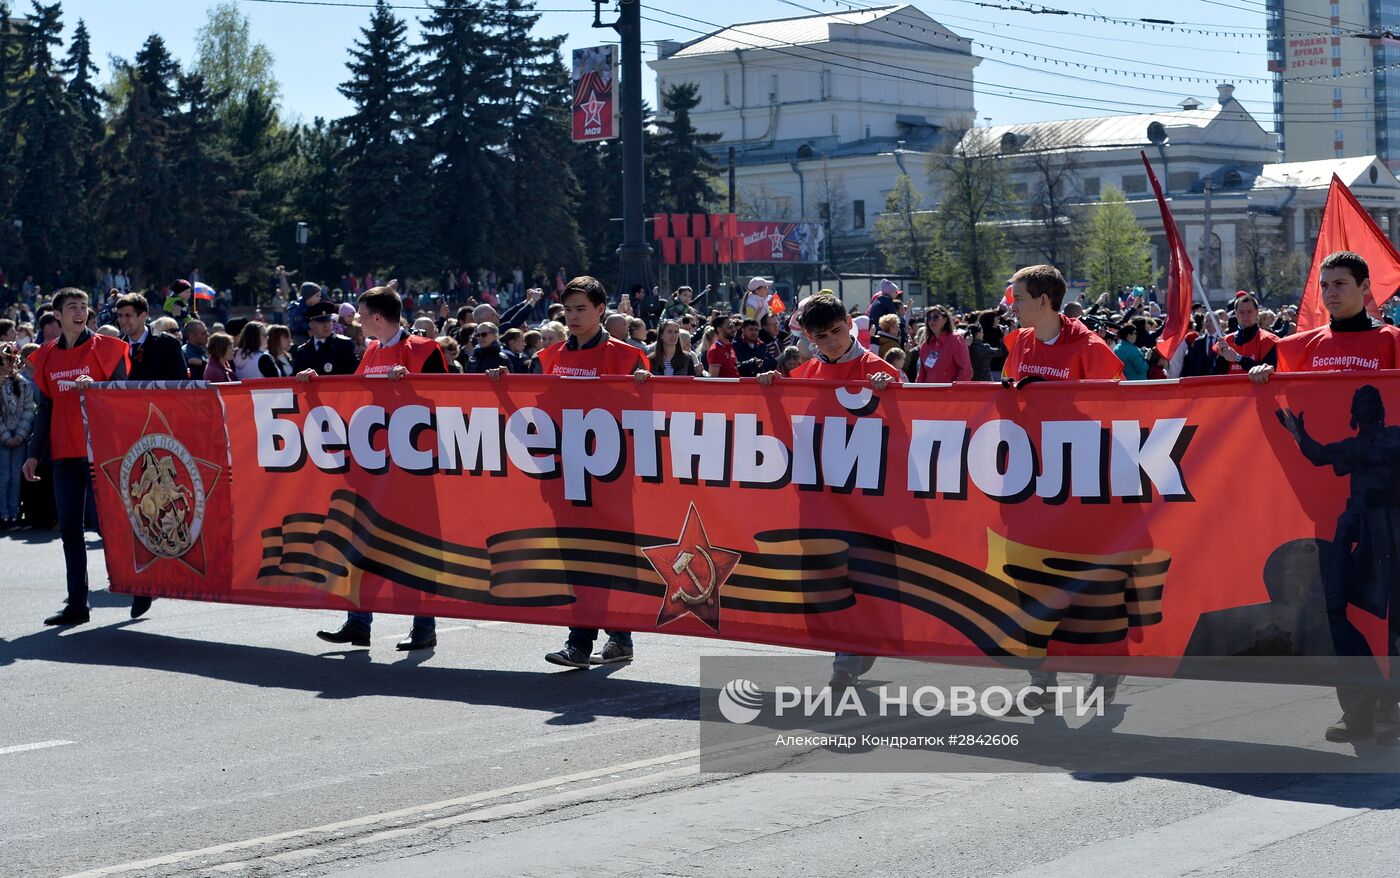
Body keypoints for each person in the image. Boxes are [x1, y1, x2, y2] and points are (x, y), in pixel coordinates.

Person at [1248, 251, 1400, 741]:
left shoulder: (1392, 342)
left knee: (1393, 612)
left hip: (1392, 516)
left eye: (1340, 283)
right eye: (1325, 284)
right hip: (1330, 511)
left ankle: (1391, 708)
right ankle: (1357, 704)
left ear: (1365, 288)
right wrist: (1262, 380)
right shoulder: (1297, 347)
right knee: (1333, 606)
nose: (1331, 292)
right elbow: (1278, 404)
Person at [488, 275, 650, 668]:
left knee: (609, 554)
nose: (574, 317)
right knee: (575, 556)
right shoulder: (548, 357)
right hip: (565, 473)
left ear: (600, 311)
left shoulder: (627, 356)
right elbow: (535, 413)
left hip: (611, 474)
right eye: (569, 310)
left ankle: (610, 636)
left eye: (582, 309)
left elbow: (647, 417)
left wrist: (645, 387)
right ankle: (587, 639)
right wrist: (502, 386)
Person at [754, 293, 900, 690]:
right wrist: (770, 390)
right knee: (827, 577)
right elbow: (780, 431)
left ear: (849, 324)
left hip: (867, 501)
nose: (832, 341)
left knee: (865, 575)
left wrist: (893, 394)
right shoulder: (803, 376)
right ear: (809, 338)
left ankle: (852, 653)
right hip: (818, 500)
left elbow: (912, 429)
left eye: (837, 331)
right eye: (822, 337)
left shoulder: (878, 369)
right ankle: (849, 649)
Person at [1003, 265, 1124, 705]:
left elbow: (1118, 413)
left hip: (1080, 485)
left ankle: (1106, 666)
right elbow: (1008, 400)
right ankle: (1042, 682)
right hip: (1032, 481)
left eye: (1018, 297)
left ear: (1043, 300)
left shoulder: (1090, 348)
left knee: (1087, 581)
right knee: (1031, 581)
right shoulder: (1018, 342)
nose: (1011, 305)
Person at [308, 280, 447, 651]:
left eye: (361, 315)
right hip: (372, 466)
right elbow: (357, 398)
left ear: (379, 317)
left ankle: (424, 626)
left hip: (412, 468)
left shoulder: (423, 349)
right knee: (360, 541)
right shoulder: (370, 351)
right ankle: (358, 621)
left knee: (417, 547)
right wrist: (315, 386)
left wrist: (411, 386)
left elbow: (449, 401)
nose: (355, 321)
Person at [23, 289, 146, 624]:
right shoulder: (47, 355)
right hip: (64, 455)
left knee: (112, 527)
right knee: (70, 531)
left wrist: (99, 388)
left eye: (84, 307)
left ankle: (141, 585)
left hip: (102, 455)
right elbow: (44, 408)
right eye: (72, 308)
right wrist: (34, 454)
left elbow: (125, 399)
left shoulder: (107, 349)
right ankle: (77, 604)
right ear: (58, 315)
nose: (79, 312)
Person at [114, 293, 189, 381]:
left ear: (143, 315)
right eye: (120, 316)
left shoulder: (169, 345)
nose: (123, 321)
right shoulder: (117, 349)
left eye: (128, 315)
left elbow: (182, 384)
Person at [0, 342, 34, 529]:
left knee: (16, 476)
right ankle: (3, 513)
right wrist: (6, 436)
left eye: (11, 359)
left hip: (19, 437)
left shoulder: (22, 383)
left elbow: (29, 408)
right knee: (3, 476)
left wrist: (20, 434)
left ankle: (14, 513)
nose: (8, 363)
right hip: (3, 438)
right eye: (5, 359)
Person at [1213, 292, 1279, 374]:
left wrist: (1238, 358)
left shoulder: (1268, 340)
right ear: (1235, 313)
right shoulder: (1226, 341)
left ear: (1257, 312)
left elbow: (1270, 371)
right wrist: (1221, 357)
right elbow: (1216, 375)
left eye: (1249, 311)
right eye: (1241, 312)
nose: (1245, 316)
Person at [292, 301, 359, 377]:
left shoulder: (345, 345)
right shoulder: (302, 351)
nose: (326, 325)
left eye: (328, 320)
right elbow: (295, 379)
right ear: (311, 324)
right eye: (321, 322)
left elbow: (354, 377)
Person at [914, 306, 972, 383]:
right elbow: (921, 374)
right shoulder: (926, 345)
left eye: (936, 317)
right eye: (929, 318)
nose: (932, 321)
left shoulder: (955, 340)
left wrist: (954, 390)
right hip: (930, 393)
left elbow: (966, 371)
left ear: (945, 319)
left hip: (950, 393)